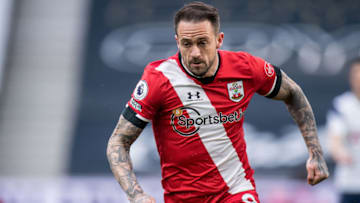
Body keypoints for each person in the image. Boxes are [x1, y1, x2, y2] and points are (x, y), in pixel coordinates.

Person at [106, 2, 329, 203]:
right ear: (177, 41)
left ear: (219, 40)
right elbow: (118, 142)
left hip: (236, 191)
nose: (194, 53)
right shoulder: (159, 79)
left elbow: (293, 93)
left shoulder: (246, 68)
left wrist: (315, 154)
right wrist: (136, 195)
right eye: (186, 43)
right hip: (183, 198)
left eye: (203, 42)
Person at [327, 58, 360, 203]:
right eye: (356, 74)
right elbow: (336, 139)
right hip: (350, 183)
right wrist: (340, 153)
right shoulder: (341, 105)